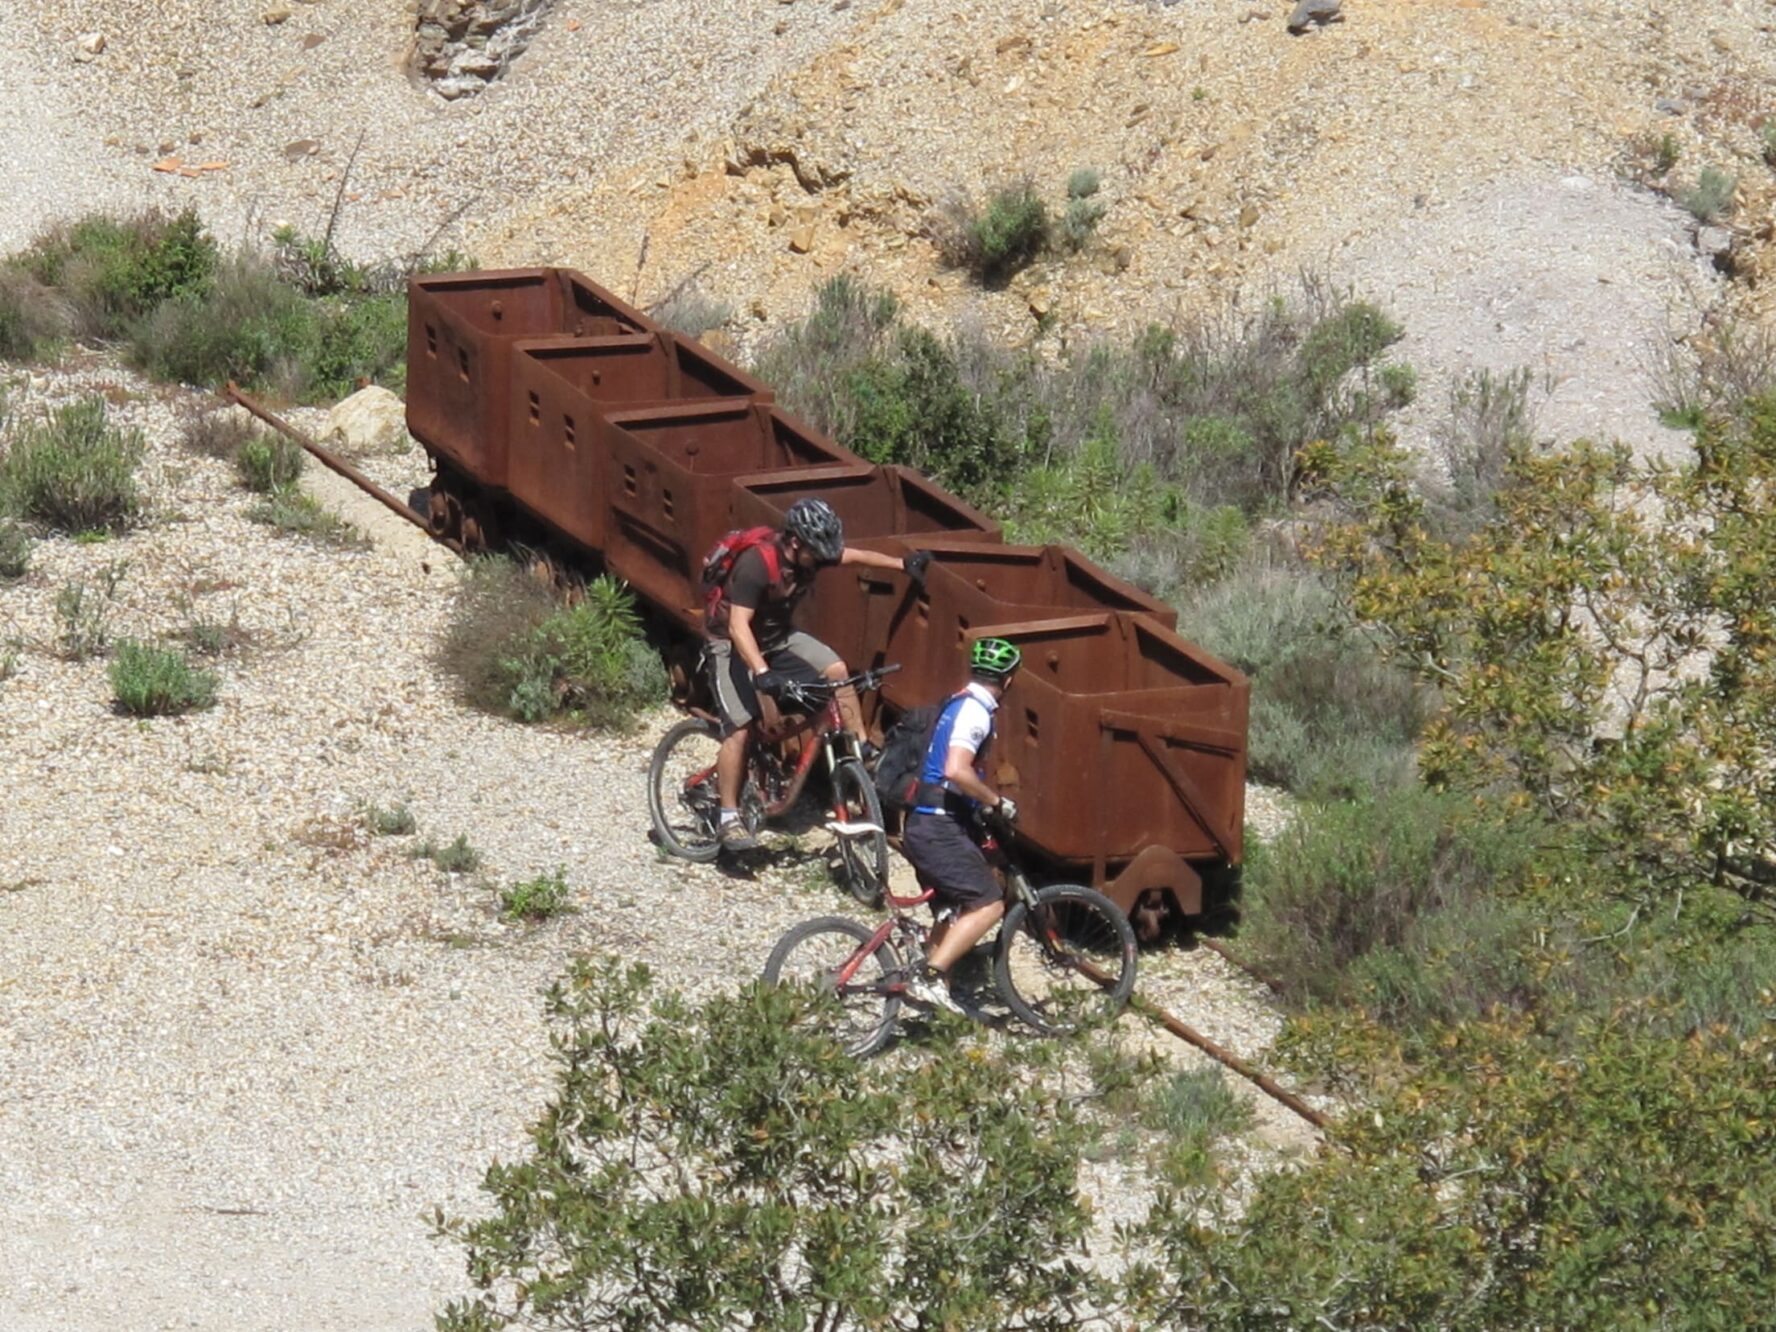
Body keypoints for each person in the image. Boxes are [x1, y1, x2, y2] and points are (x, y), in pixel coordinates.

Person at [705, 497, 930, 852]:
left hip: (777, 637)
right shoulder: (757, 565)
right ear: (795, 543)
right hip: (730, 643)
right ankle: (728, 816)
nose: (823, 559)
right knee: (740, 729)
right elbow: (737, 625)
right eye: (817, 552)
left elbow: (853, 556)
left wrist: (902, 565)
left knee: (836, 670)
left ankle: (861, 750)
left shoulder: (812, 554)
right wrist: (762, 672)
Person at [899, 636, 1023, 1015]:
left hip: (925, 820)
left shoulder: (957, 702)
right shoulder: (976, 712)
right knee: (988, 905)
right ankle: (930, 976)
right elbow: (956, 770)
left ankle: (932, 1000)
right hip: (937, 827)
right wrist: (995, 801)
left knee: (951, 909)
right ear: (1009, 680)